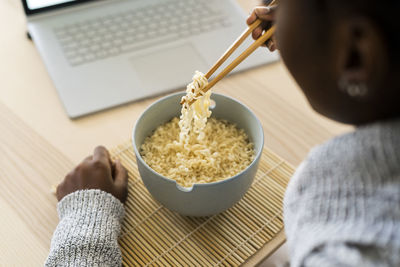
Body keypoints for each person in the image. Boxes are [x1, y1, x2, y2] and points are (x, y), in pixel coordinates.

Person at [46, 0, 400, 266]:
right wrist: (307, 25)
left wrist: (87, 220)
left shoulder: (347, 252)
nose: (266, 9)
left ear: (354, 53)